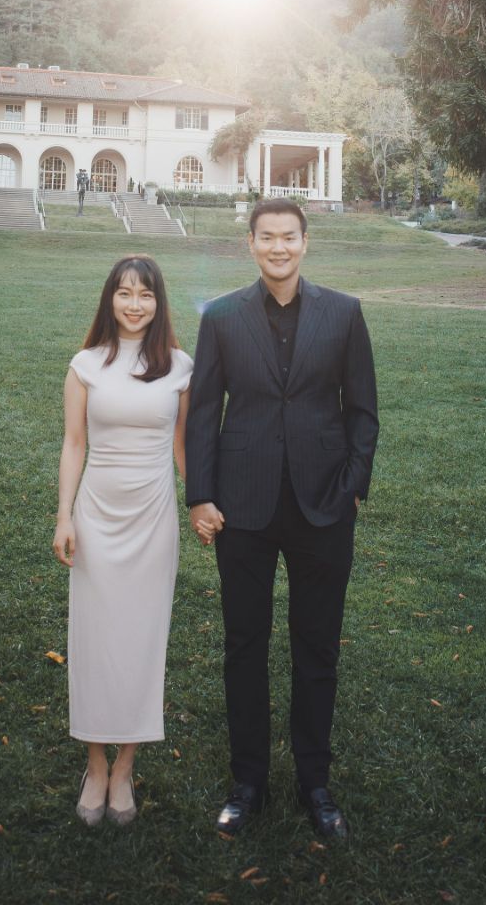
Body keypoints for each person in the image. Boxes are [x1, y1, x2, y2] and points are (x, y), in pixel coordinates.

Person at [186, 198, 378, 842]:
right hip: (241, 506)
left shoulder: (345, 313)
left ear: (305, 242)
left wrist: (354, 486)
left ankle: (315, 784)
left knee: (317, 647)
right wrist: (201, 496)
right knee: (244, 646)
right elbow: (203, 411)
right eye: (266, 237)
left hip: (324, 505)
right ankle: (247, 785)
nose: (278, 247)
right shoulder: (221, 317)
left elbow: (363, 411)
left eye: (288, 237)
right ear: (250, 244)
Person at [53, 255, 192, 826]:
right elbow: (74, 444)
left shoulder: (181, 367)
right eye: (124, 293)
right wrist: (64, 515)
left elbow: (185, 449)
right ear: (109, 299)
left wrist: (203, 504)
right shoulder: (85, 365)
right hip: (97, 518)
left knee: (143, 637)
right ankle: (94, 764)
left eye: (146, 295)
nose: (135, 305)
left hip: (154, 519)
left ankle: (126, 766)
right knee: (93, 636)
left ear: (159, 304)